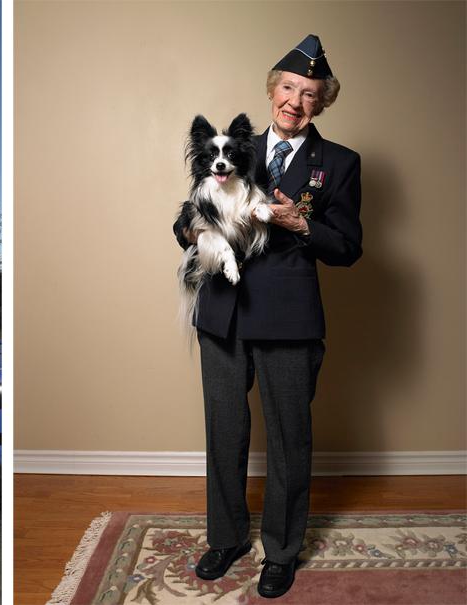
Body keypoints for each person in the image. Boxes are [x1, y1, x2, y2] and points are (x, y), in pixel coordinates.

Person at [173, 35, 362, 598]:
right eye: (287, 88)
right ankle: (226, 537)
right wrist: (191, 229)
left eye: (309, 94)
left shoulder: (341, 163)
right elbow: (187, 217)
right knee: (224, 434)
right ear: (272, 89)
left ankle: (280, 549)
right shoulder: (235, 147)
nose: (294, 101)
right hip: (223, 314)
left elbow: (348, 247)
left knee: (288, 438)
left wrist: (298, 224)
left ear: (322, 103)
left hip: (289, 317)